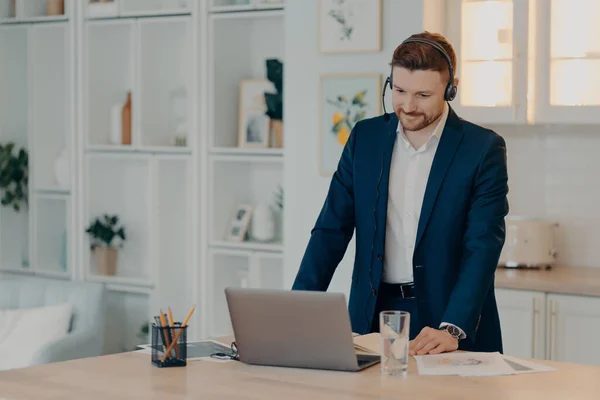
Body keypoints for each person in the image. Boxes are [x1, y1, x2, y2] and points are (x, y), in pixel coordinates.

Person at [291, 31, 509, 355]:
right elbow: (331, 229)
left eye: (422, 95)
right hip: (373, 316)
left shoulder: (482, 149)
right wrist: (297, 310)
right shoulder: (364, 138)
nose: (408, 106)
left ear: (451, 89)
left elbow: (483, 245)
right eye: (400, 90)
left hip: (446, 320)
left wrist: (453, 327)